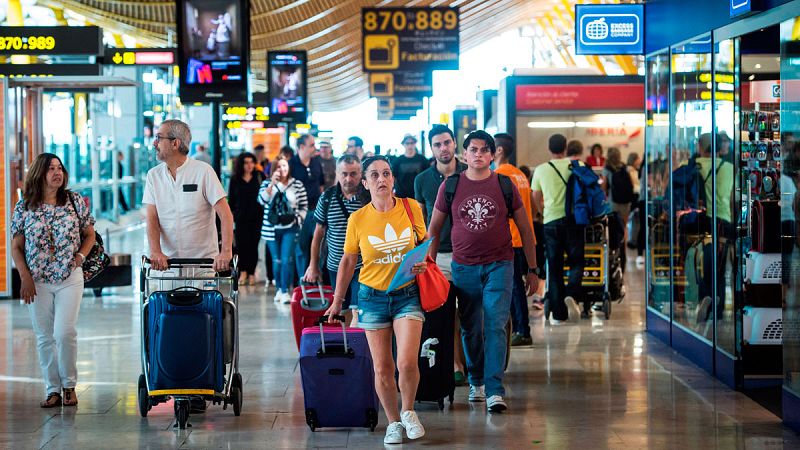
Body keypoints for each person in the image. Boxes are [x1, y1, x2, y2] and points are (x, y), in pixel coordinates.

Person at [427, 130, 539, 413]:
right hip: (463, 267)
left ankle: (494, 389)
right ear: (464, 154)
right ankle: (475, 379)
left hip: (499, 265)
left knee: (496, 324)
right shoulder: (451, 186)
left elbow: (526, 228)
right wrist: (428, 265)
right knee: (470, 328)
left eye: (483, 150)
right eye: (472, 150)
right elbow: (434, 230)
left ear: (492, 154)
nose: (478, 154)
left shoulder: (505, 184)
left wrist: (534, 269)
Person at [324, 155, 428, 445]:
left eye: (386, 174)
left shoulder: (412, 208)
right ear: (366, 183)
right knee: (383, 367)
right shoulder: (358, 219)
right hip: (371, 297)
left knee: (407, 361)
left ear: (393, 178)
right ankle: (393, 422)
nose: (382, 179)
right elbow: (348, 260)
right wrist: (337, 300)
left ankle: (408, 411)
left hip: (407, 293)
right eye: (375, 175)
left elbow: (423, 245)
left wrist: (423, 262)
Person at [11, 153, 97, 408]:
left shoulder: (73, 201)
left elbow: (89, 234)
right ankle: (53, 389)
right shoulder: (24, 205)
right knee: (44, 336)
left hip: (69, 276)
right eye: (51, 169)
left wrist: (81, 255)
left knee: (64, 331)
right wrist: (24, 277)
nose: (57, 173)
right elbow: (16, 247)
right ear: (39, 173)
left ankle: (69, 385)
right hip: (36, 280)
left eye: (59, 168)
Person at [413, 124, 468, 386]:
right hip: (439, 255)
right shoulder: (422, 180)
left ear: (455, 143)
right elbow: (421, 223)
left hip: (469, 255)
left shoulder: (472, 173)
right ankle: (454, 363)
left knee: (471, 314)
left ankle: (472, 365)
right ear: (431, 148)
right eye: (437, 144)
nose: (443, 148)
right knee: (445, 314)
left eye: (447, 142)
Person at [144, 119, 233, 273]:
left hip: (203, 264)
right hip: (167, 265)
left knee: (204, 298)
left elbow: (225, 215)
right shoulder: (153, 176)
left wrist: (225, 251)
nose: (154, 143)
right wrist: (156, 251)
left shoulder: (203, 171)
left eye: (159, 137)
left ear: (175, 143)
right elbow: (152, 217)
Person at [304, 154, 369, 324]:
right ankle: (350, 345)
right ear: (337, 173)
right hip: (335, 265)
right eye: (344, 174)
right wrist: (313, 266)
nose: (348, 178)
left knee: (357, 309)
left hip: (363, 265)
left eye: (354, 173)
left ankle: (358, 345)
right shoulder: (327, 198)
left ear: (361, 173)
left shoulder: (368, 198)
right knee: (342, 309)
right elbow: (318, 235)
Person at [532, 136, 586, 322]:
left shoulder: (541, 169)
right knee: (577, 261)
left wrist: (543, 212)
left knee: (554, 268)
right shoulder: (577, 165)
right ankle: (572, 293)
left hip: (551, 222)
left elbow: (536, 196)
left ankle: (559, 313)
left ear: (549, 148)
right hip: (574, 221)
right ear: (565, 147)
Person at [493, 133, 536, 347]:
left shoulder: (500, 175)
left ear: (498, 150)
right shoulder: (520, 174)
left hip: (512, 237)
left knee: (514, 288)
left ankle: (522, 330)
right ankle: (521, 328)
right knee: (516, 286)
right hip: (523, 237)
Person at [258, 157, 308, 303]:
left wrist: (298, 219)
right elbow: (262, 200)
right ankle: (279, 289)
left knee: (287, 259)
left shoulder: (297, 184)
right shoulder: (267, 183)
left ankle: (285, 290)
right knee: (277, 260)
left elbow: (304, 206)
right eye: (279, 166)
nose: (282, 169)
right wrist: (272, 183)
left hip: (290, 228)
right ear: (274, 169)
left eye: (284, 166)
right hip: (271, 229)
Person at [289, 135, 324, 286]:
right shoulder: (291, 164)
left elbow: (321, 185)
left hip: (317, 211)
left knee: (320, 247)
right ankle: (303, 283)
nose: (314, 148)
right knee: (302, 249)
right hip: (300, 213)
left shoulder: (316, 162)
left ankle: (317, 280)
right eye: (311, 145)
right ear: (301, 147)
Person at [229, 152, 265, 285]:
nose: (249, 165)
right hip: (240, 218)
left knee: (253, 246)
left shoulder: (260, 177)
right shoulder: (235, 179)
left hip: (257, 217)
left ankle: (251, 273)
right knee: (241, 246)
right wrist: (230, 219)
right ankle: (242, 271)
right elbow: (231, 201)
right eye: (246, 162)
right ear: (241, 164)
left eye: (252, 162)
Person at [603, 147, 635, 248]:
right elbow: (632, 184)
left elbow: (603, 187)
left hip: (613, 202)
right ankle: (623, 247)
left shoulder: (607, 168)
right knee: (624, 226)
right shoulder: (624, 167)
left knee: (613, 227)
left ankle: (615, 248)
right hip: (625, 202)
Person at [392, 134, 429, 198]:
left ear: (415, 144)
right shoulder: (398, 161)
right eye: (407, 143)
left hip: (419, 195)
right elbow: (393, 177)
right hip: (401, 195)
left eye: (412, 143)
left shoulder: (422, 159)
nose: (410, 145)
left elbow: (427, 176)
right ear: (403, 144)